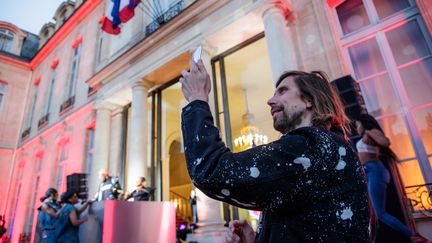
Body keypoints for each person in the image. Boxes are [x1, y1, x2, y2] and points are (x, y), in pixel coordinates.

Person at [179, 60, 371, 242]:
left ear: (308, 100)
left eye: (282, 91)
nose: (270, 100)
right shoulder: (327, 149)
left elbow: (211, 170)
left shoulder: (312, 146)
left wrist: (197, 100)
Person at [355, 114, 430, 243]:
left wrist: (370, 133)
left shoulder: (371, 132)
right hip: (369, 172)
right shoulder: (365, 137)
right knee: (371, 212)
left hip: (375, 171)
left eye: (357, 125)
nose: (356, 128)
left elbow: (385, 142)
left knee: (380, 213)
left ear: (363, 123)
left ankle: (413, 236)